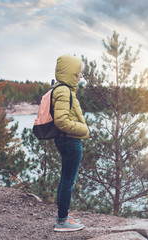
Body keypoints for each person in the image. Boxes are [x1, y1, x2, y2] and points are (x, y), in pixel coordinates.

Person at [52, 55, 89, 232]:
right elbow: (61, 121)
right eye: (79, 73)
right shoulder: (64, 91)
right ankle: (62, 222)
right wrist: (83, 129)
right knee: (68, 181)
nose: (80, 76)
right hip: (70, 141)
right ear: (71, 72)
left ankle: (63, 216)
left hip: (65, 139)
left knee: (65, 179)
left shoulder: (61, 89)